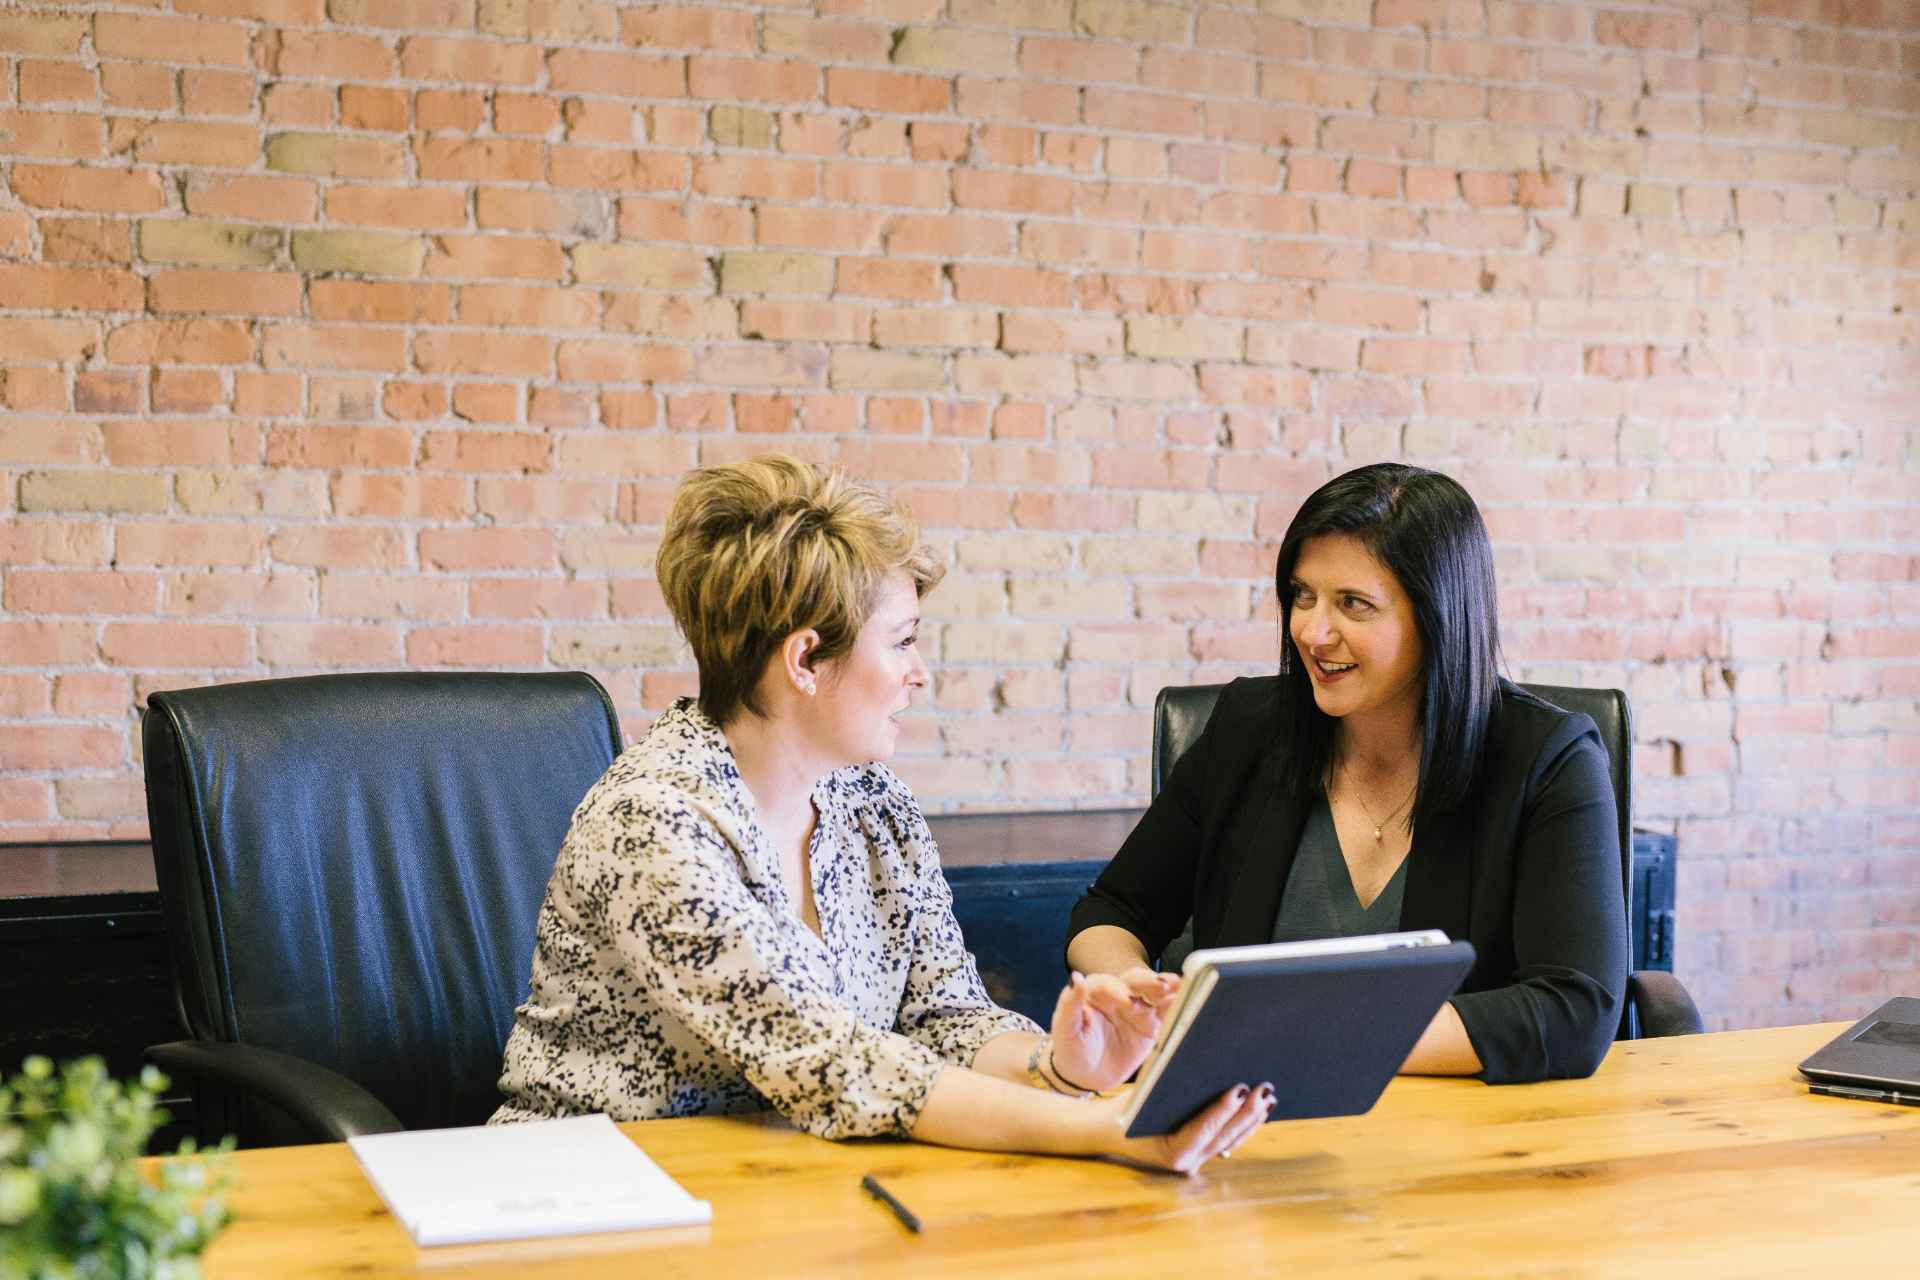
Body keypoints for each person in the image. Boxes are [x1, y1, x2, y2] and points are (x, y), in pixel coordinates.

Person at [493, 455, 1270, 1171]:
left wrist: (1061, 1066)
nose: (919, 674)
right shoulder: (654, 823)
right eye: (901, 642)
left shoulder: (872, 802)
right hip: (588, 1194)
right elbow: (833, 1063)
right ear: (805, 660)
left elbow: (945, 1015)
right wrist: (1107, 1128)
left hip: (789, 1184)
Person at [1066, 463, 1628, 1083]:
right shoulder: (1250, 729)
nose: (1312, 630)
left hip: (1459, 1136)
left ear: (1438, 615)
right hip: (1242, 1124)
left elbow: (1575, 1009)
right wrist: (1132, 991)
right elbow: (1111, 911)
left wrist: (1302, 1037)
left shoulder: (1548, 759)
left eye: (1353, 604)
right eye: (1303, 596)